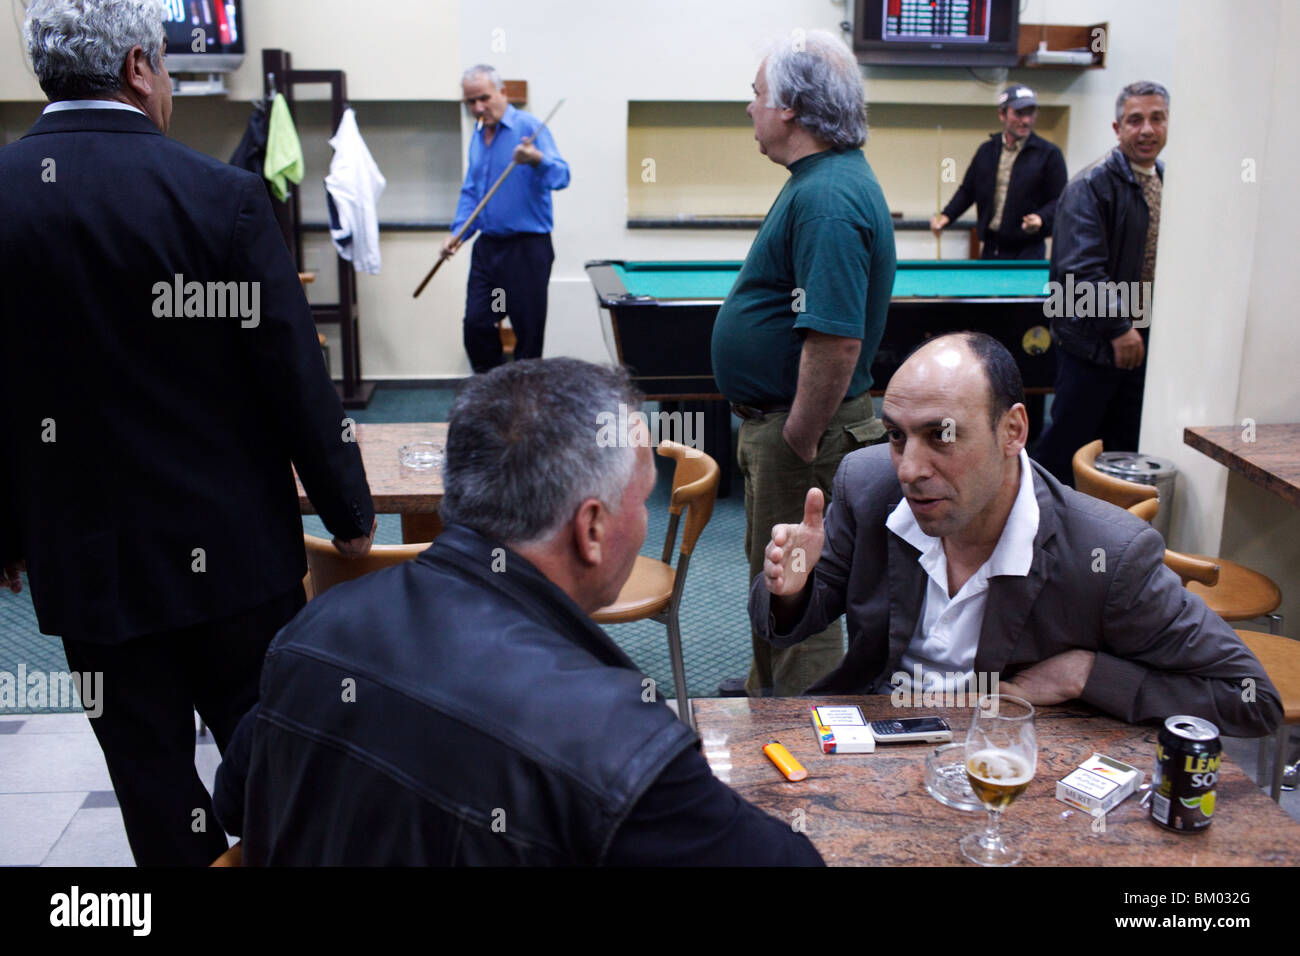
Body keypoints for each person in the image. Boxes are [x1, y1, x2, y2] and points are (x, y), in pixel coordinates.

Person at [0, 0, 376, 866]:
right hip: (233, 561)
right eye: (165, 66)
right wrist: (346, 509)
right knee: (277, 756)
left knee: (147, 772)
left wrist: (6, 534)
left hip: (86, 564)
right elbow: (294, 377)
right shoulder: (221, 199)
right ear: (139, 67)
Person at [214, 359, 824, 866]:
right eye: (642, 499)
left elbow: (235, 803)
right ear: (591, 527)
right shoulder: (612, 735)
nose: (645, 520)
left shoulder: (313, 627)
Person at [751, 333, 1280, 740]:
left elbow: (1251, 700)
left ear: (1013, 431)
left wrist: (1086, 675)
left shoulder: (1107, 555)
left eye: (942, 435)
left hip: (1004, 758)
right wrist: (791, 588)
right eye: (896, 436)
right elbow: (788, 627)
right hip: (873, 738)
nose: (909, 468)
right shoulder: (869, 486)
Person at [711, 30, 895, 698]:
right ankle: (769, 695)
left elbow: (836, 340)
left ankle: (800, 737)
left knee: (801, 595)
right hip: (790, 424)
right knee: (777, 578)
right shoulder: (820, 180)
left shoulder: (827, 194)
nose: (751, 108)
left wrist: (798, 434)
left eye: (758, 95)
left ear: (790, 107)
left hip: (803, 431)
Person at [1032, 82, 1170, 485]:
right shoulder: (1089, 185)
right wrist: (1120, 328)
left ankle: (1109, 537)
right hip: (1092, 343)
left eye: (1157, 118)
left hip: (1140, 339)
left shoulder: (1164, 177)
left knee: (1122, 453)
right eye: (1135, 120)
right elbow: (1080, 271)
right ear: (1117, 127)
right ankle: (1036, 530)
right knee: (1067, 451)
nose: (1147, 129)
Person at [439, 65, 569, 373]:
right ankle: (493, 393)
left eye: (484, 98)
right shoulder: (478, 135)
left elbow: (562, 176)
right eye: (470, 102)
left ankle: (523, 409)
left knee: (527, 335)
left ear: (503, 93)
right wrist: (457, 233)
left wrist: (536, 159)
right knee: (478, 324)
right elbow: (472, 192)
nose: (478, 108)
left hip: (527, 250)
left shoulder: (529, 127)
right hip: (489, 250)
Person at [929, 84, 1067, 260]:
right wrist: (947, 215)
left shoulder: (1049, 154)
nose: (1026, 120)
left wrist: (1041, 218)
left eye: (1031, 113)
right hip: (991, 248)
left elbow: (1061, 200)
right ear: (1002, 114)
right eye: (1018, 113)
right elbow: (968, 191)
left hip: (1028, 251)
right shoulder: (986, 151)